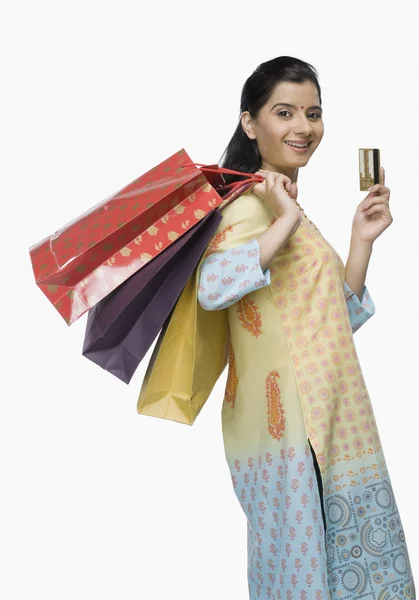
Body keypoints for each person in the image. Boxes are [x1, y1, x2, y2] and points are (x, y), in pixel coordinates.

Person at [197, 56, 415, 600]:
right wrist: (287, 220)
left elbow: (329, 325)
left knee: (340, 576)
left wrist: (360, 241)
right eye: (285, 112)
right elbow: (212, 286)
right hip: (289, 430)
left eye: (313, 113)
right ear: (250, 122)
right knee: (305, 582)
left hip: (329, 415)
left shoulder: (281, 204)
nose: (303, 127)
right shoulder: (247, 207)